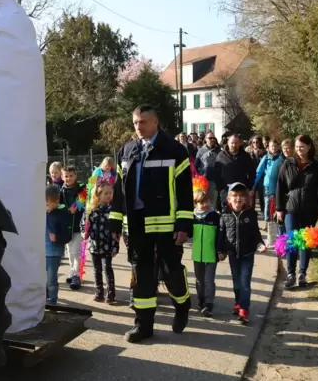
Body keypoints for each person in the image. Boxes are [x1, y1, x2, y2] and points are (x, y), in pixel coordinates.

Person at [109, 105, 193, 343]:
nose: (138, 127)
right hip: (136, 225)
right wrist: (115, 224)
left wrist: (183, 224)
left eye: (143, 122)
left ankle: (182, 303)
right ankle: (143, 325)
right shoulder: (126, 150)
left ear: (156, 122)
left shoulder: (175, 150)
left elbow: (185, 191)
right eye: (136, 122)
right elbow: (118, 191)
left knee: (170, 272)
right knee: (142, 275)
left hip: (166, 225)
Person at [275, 135, 318, 289]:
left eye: (302, 147)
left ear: (309, 147)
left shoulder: (316, 167)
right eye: (297, 147)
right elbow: (280, 186)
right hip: (290, 209)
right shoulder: (288, 164)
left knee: (305, 241)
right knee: (292, 240)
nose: (299, 150)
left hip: (309, 209)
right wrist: (279, 209)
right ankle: (291, 274)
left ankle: (302, 273)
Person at [217, 182, 266, 325]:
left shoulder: (250, 214)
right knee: (236, 283)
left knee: (245, 283)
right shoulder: (225, 215)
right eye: (234, 196)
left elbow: (256, 234)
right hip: (233, 254)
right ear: (229, 199)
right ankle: (238, 302)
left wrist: (260, 245)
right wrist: (220, 251)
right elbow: (221, 235)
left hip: (247, 254)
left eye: (241, 196)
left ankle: (244, 310)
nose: (238, 199)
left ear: (245, 199)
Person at [82, 182, 118, 304]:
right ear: (98, 195)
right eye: (105, 193)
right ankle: (99, 292)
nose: (109, 195)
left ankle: (111, 293)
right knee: (96, 269)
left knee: (107, 268)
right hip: (94, 246)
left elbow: (115, 231)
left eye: (110, 193)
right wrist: (84, 232)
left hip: (107, 245)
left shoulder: (112, 210)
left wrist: (115, 246)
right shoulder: (91, 210)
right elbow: (84, 224)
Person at [192, 188, 220, 317]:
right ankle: (201, 300)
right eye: (202, 202)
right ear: (195, 204)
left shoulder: (215, 216)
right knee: (199, 280)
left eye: (207, 201)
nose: (205, 204)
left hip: (211, 254)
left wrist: (220, 251)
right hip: (197, 255)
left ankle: (209, 304)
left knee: (209, 280)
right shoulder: (193, 217)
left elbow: (220, 236)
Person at [253, 138, 285, 242]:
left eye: (275, 146)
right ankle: (268, 224)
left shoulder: (282, 158)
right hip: (267, 185)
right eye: (272, 146)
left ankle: (279, 226)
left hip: (280, 185)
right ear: (268, 148)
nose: (274, 148)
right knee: (268, 204)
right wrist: (253, 185)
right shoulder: (266, 158)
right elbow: (259, 172)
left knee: (279, 205)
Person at [59, 166, 85, 290]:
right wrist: (67, 210)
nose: (68, 178)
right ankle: (72, 271)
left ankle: (77, 275)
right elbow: (58, 205)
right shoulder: (60, 191)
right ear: (62, 177)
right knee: (70, 251)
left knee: (77, 252)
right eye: (66, 176)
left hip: (78, 225)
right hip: (67, 226)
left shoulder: (81, 188)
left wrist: (76, 206)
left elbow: (84, 199)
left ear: (75, 176)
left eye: (71, 176)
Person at [45, 184, 71, 305]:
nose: (45, 207)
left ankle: (52, 299)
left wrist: (57, 238)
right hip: (44, 251)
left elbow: (67, 235)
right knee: (43, 277)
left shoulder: (62, 213)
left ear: (56, 201)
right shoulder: (46, 213)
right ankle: (44, 297)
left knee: (51, 278)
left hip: (54, 252)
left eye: (47, 204)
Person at [215, 134, 256, 206]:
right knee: (226, 213)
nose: (234, 145)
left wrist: (249, 187)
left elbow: (252, 172)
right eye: (232, 143)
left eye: (236, 143)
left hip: (241, 190)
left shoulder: (245, 156)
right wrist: (220, 188)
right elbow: (216, 173)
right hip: (226, 190)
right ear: (228, 143)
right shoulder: (221, 156)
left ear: (239, 143)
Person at [195, 131, 221, 205]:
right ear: (205, 139)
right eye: (210, 138)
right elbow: (196, 166)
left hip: (214, 181)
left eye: (213, 138)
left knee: (212, 203)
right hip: (203, 181)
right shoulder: (200, 151)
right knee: (202, 202)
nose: (212, 139)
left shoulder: (219, 151)